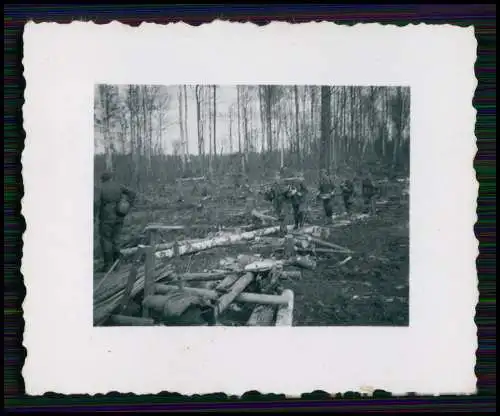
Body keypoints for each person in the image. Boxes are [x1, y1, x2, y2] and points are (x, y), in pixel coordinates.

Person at [95, 171, 137, 272]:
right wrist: (128, 204)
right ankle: (117, 264)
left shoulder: (100, 187)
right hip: (119, 216)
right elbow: (132, 193)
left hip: (106, 217)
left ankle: (108, 265)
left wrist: (93, 216)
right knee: (116, 240)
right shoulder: (118, 186)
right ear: (111, 178)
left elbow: (96, 203)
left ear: (102, 179)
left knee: (106, 240)